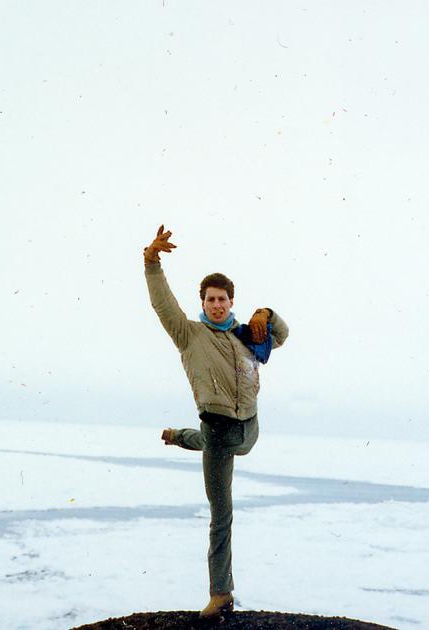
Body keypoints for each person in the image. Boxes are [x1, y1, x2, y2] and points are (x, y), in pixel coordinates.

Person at [142, 225, 289, 618]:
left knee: (223, 443)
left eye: (223, 299)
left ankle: (181, 436)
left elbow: (283, 335)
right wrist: (151, 261)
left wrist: (268, 313)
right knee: (221, 515)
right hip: (219, 429)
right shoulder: (189, 334)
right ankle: (221, 593)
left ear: (231, 301)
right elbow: (162, 304)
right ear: (202, 303)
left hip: (250, 427)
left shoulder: (246, 336)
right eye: (210, 300)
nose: (217, 305)